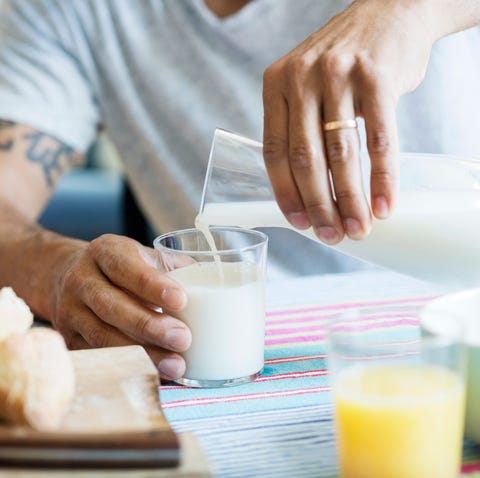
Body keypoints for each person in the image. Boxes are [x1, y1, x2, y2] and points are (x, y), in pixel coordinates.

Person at [0, 0, 479, 381]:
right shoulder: (64, 10)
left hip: (456, 327)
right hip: (245, 360)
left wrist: (410, 8)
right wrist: (53, 271)